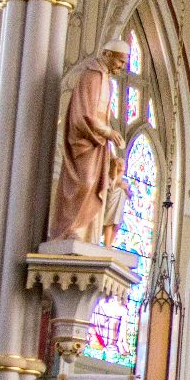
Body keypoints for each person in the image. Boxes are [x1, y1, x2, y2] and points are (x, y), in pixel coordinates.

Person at [48, 38, 129, 244]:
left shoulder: (106, 80)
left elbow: (103, 115)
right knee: (85, 182)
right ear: (107, 54)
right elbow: (84, 113)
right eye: (120, 61)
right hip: (84, 140)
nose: (121, 66)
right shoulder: (92, 76)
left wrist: (108, 143)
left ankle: (86, 235)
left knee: (95, 187)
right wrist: (107, 132)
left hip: (98, 144)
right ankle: (70, 229)